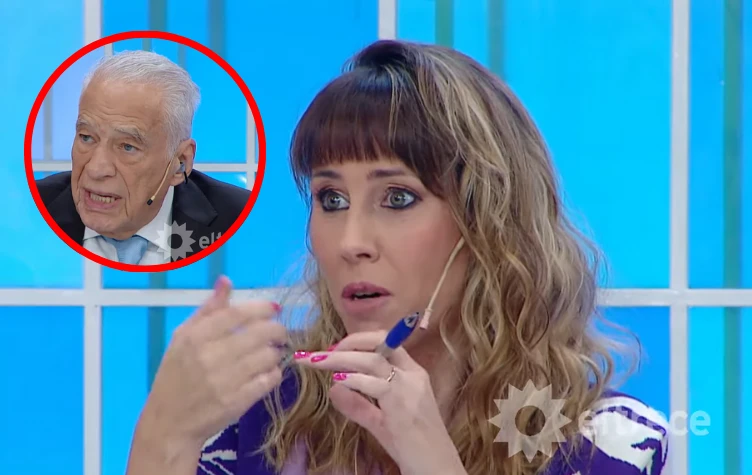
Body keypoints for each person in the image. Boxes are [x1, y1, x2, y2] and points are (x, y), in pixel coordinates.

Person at [125, 40, 669, 475]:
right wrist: (163, 437)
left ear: (488, 222)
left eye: (398, 198)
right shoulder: (258, 424)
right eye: (331, 199)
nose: (350, 242)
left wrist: (429, 459)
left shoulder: (608, 446)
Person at [35, 51, 250, 265]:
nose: (95, 169)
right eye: (86, 137)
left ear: (180, 163)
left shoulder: (239, 219)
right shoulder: (35, 207)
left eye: (127, 147)